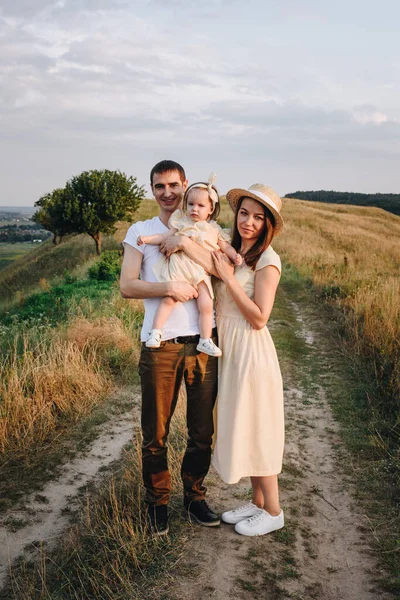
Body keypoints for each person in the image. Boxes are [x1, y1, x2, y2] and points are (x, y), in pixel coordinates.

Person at [160, 183, 285, 537]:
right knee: (241, 423)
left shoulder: (267, 260)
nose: (248, 222)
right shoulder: (235, 250)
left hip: (250, 349)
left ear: (268, 224)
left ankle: (274, 510)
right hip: (227, 347)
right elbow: (206, 262)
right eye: (244, 213)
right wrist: (184, 242)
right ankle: (258, 502)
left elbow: (260, 316)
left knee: (258, 427)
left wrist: (229, 279)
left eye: (258, 218)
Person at [120, 160, 220, 536]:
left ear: (184, 186)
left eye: (173, 185)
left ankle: (194, 497)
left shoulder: (201, 227)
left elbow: (218, 266)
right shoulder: (140, 231)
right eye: (159, 186)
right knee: (155, 433)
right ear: (151, 189)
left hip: (202, 345)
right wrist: (168, 289)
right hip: (159, 346)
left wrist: (186, 243)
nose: (168, 192)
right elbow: (128, 285)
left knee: (201, 431)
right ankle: (157, 504)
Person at [137, 173, 242, 357]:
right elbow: (164, 237)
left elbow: (224, 246)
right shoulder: (180, 223)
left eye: (201, 206)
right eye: (191, 204)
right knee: (169, 300)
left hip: (200, 273)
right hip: (180, 270)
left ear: (210, 209)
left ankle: (205, 340)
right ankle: (155, 332)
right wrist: (147, 239)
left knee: (206, 304)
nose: (194, 209)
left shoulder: (214, 229)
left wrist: (235, 256)